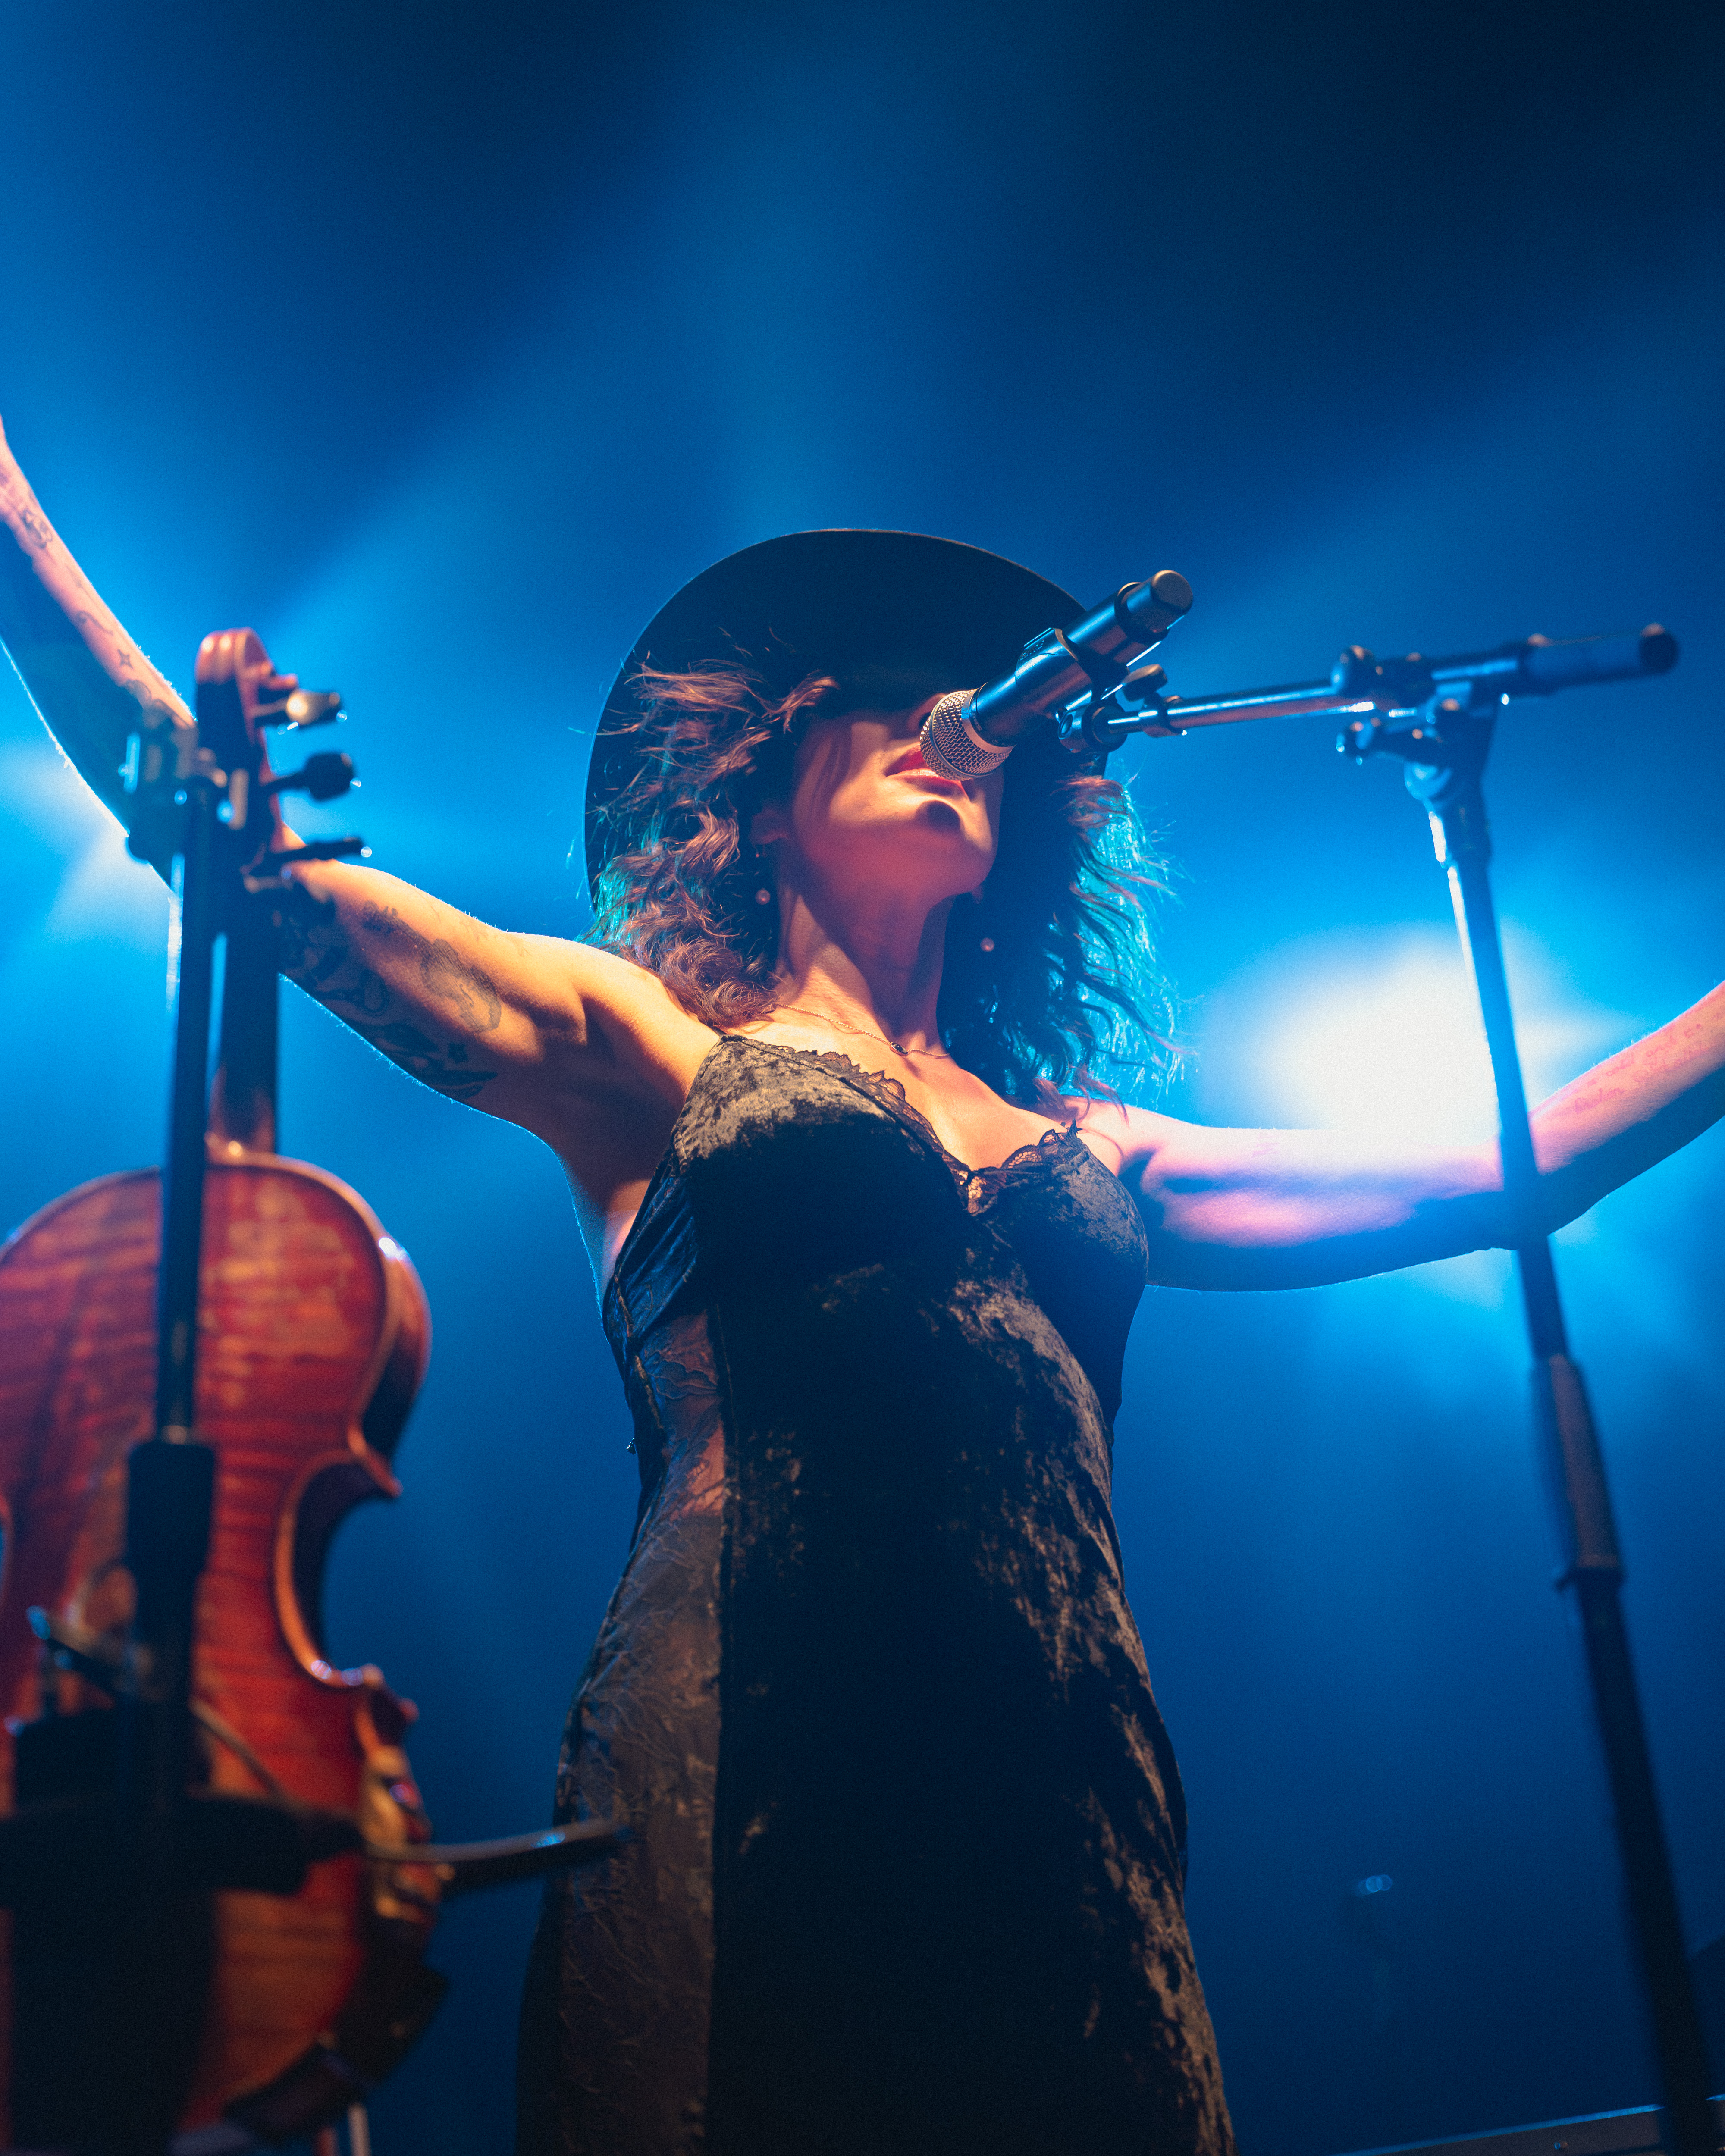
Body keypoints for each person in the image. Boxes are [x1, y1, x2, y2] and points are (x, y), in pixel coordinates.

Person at [3, 422, 1722, 2156]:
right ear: (756, 798)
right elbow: (239, 857)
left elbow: (1512, 1167)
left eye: (967, 708)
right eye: (882, 703)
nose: (947, 724)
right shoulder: (645, 1046)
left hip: (1067, 1800)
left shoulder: (1099, 1144)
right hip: (742, 1752)